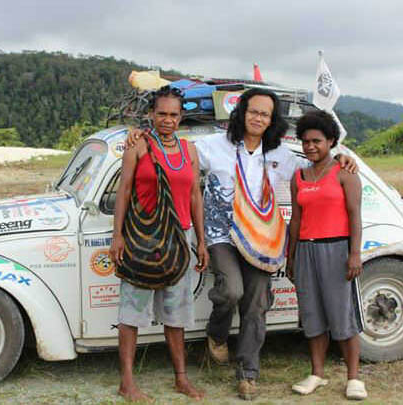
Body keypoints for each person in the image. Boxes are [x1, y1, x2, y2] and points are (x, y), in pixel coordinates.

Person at [127, 87, 357, 400]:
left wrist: (341, 157)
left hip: (261, 240)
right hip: (221, 235)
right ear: (242, 112)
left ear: (271, 119)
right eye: (253, 111)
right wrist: (140, 134)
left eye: (265, 113)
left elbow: (315, 169)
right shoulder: (213, 146)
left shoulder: (280, 155)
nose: (258, 118)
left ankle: (248, 373)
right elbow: (173, 149)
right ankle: (216, 335)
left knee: (257, 301)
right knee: (232, 289)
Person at [109, 85, 209, 402]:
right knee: (132, 312)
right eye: (162, 113)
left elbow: (195, 196)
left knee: (176, 312)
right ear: (151, 114)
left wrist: (201, 241)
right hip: (143, 238)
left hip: (180, 238)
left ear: (181, 117)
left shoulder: (189, 150)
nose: (167, 119)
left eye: (174, 114)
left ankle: (181, 379)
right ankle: (127, 383)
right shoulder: (137, 145)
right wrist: (118, 236)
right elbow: (124, 191)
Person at [287, 110, 366, 400]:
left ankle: (354, 378)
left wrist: (354, 253)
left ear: (331, 141)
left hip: (337, 250)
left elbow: (355, 215)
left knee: (342, 314)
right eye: (306, 141)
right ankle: (316, 374)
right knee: (313, 315)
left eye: (317, 141)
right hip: (306, 250)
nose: (310, 147)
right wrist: (291, 256)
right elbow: (295, 220)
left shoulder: (345, 172)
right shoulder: (299, 176)